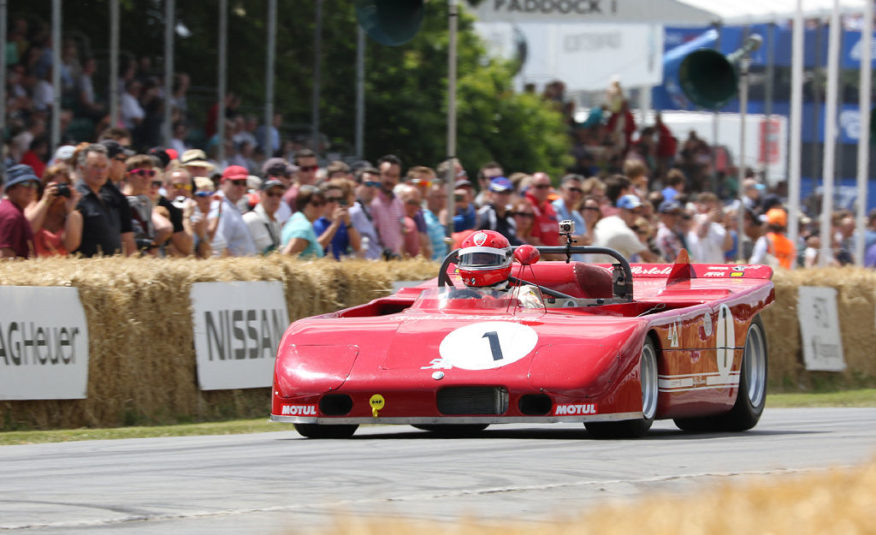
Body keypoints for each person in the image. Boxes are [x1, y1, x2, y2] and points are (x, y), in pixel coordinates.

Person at [73, 144, 129, 257]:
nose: (100, 171)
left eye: (104, 166)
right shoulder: (75, 198)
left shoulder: (112, 197)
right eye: (95, 166)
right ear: (82, 168)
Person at [25, 164, 83, 256]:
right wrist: (45, 201)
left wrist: (70, 211)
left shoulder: (74, 215)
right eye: (55, 185)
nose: (58, 190)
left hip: (59, 268)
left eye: (63, 185)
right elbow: (29, 230)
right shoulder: (32, 206)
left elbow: (71, 246)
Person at [593, 194, 659, 263]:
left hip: (593, 267)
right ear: (621, 210)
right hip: (604, 270)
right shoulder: (624, 232)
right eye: (632, 211)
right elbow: (651, 258)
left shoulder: (605, 221)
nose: (635, 215)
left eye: (638, 212)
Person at [209, 165, 257, 257]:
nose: (241, 187)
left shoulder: (231, 205)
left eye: (244, 183)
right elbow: (218, 245)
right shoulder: (221, 206)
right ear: (223, 182)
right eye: (236, 182)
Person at [313, 179, 361, 259]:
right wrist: (335, 224)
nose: (336, 203)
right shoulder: (316, 222)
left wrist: (348, 223)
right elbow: (317, 247)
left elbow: (357, 247)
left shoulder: (344, 222)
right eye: (331, 200)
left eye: (339, 199)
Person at [0, 164, 40, 258]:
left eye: (34, 184)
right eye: (25, 184)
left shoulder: (13, 210)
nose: (31, 189)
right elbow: (6, 257)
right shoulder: (11, 215)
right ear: (11, 188)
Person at [370, 154, 405, 258]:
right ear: (379, 175)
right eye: (387, 174)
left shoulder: (399, 203)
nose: (390, 180)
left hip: (395, 261)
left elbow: (401, 234)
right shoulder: (371, 202)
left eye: (394, 176)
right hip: (375, 262)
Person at [281, 184, 326, 258]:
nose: (320, 207)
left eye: (323, 203)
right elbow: (286, 258)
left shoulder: (296, 218)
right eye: (315, 204)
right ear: (303, 204)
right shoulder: (304, 228)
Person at [551, 174, 590, 259]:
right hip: (563, 265)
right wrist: (581, 240)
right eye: (572, 189)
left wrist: (576, 240)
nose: (576, 193)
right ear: (562, 189)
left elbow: (587, 241)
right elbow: (563, 240)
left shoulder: (577, 216)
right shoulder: (554, 210)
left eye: (579, 191)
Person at [243, 178, 286, 255]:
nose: (275, 198)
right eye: (270, 194)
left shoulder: (277, 220)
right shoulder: (249, 219)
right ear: (260, 194)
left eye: (279, 195)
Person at [686, 192, 732, 263]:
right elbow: (700, 234)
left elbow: (727, 247)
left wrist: (727, 227)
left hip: (717, 268)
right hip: (701, 269)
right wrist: (709, 217)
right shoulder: (697, 220)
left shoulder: (718, 227)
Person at [349, 166, 383, 260]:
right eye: (369, 184)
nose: (373, 188)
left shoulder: (377, 210)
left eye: (377, 185)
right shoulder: (353, 211)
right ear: (356, 185)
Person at [477, 177, 520, 245]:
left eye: (507, 192)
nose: (504, 196)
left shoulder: (510, 221)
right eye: (500, 192)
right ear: (490, 194)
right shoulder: (483, 215)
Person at [525, 172, 560, 246]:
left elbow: (558, 237)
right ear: (531, 187)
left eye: (547, 186)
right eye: (540, 186)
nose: (544, 190)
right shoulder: (526, 206)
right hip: (539, 256)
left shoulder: (550, 207)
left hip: (557, 254)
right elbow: (533, 241)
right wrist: (558, 256)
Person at [398, 184, 431, 258]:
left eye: (418, 204)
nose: (415, 207)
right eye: (411, 202)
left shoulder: (418, 218)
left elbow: (427, 251)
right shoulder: (405, 222)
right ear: (399, 200)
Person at [423, 182, 449, 261]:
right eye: (438, 197)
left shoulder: (436, 220)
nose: (442, 200)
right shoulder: (426, 221)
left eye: (444, 197)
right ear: (428, 198)